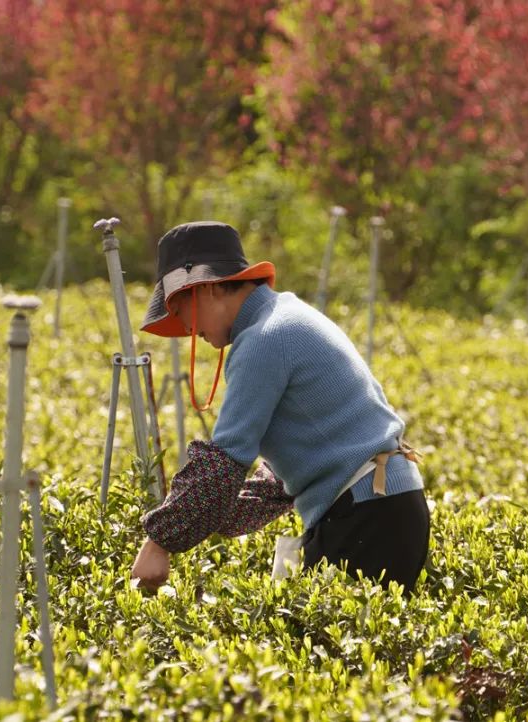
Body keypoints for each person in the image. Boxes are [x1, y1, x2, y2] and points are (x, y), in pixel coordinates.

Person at [129, 221, 429, 593]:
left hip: (366, 514)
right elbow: (288, 468)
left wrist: (159, 542)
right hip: (385, 507)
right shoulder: (284, 315)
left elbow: (224, 460)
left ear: (206, 288)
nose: (187, 327)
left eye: (179, 307)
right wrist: (206, 513)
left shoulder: (264, 339)